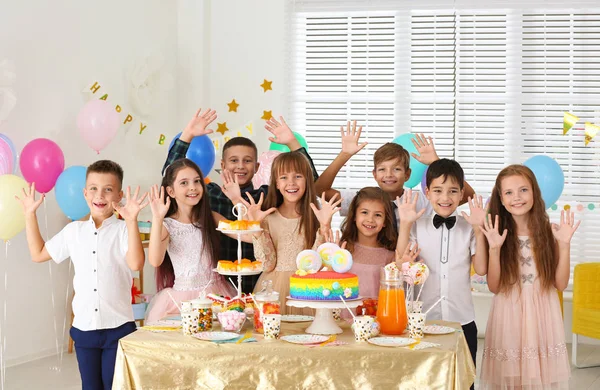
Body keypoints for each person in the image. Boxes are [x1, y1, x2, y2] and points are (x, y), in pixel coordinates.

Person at [17, 160, 148, 390]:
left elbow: (136, 262)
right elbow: (38, 253)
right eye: (94, 188)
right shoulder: (73, 232)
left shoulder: (123, 231)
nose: (100, 195)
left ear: (118, 195)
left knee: (115, 386)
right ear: (85, 193)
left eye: (108, 189)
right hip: (84, 329)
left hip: (119, 329)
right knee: (90, 387)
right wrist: (29, 215)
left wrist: (131, 220)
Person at [163, 109, 319, 292]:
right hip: (219, 285)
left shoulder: (266, 196)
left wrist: (293, 143)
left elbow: (310, 182)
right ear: (222, 165)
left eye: (247, 161)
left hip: (261, 283)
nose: (240, 166)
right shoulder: (209, 194)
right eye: (233, 160)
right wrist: (187, 136)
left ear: (257, 166)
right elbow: (171, 176)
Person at [479, 164, 579, 389]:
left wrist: (564, 245)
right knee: (512, 378)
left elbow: (560, 283)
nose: (517, 197)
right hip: (509, 312)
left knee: (540, 378)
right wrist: (494, 249)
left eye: (523, 190)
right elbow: (495, 287)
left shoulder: (548, 231)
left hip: (543, 312)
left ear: (534, 192)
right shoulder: (496, 233)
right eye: (509, 192)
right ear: (501, 199)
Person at [396, 158, 488, 373]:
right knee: (424, 379)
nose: (445, 198)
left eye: (453, 191)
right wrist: (406, 224)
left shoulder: (468, 227)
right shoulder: (417, 226)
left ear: (462, 193)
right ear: (427, 192)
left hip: (462, 320)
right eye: (438, 190)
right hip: (422, 320)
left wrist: (478, 230)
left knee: (464, 380)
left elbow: (482, 269)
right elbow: (401, 263)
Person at [315, 122, 475, 230]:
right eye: (382, 169)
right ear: (375, 174)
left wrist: (435, 162)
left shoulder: (420, 200)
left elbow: (467, 195)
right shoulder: (363, 199)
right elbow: (319, 190)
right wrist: (344, 155)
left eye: (396, 169)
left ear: (407, 174)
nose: (389, 175)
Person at [239, 151, 340, 315]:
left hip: (306, 291)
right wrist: (257, 228)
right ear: (276, 183)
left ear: (307, 181)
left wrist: (324, 227)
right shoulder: (268, 218)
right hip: (273, 290)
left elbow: (317, 264)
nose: (291, 183)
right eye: (284, 177)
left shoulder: (316, 217)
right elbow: (267, 264)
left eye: (298, 176)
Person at [145, 158, 235, 324]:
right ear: (171, 192)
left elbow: (245, 234)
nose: (192, 187)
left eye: (196, 181)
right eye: (184, 183)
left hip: (216, 294)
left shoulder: (211, 218)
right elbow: (155, 260)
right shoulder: (167, 225)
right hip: (182, 299)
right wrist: (157, 218)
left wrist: (237, 200)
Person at [339, 187, 397, 299]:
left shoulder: (390, 256)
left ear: (385, 221)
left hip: (376, 315)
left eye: (378, 215)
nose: (370, 219)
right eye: (364, 212)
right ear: (355, 216)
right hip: (343, 315)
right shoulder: (342, 249)